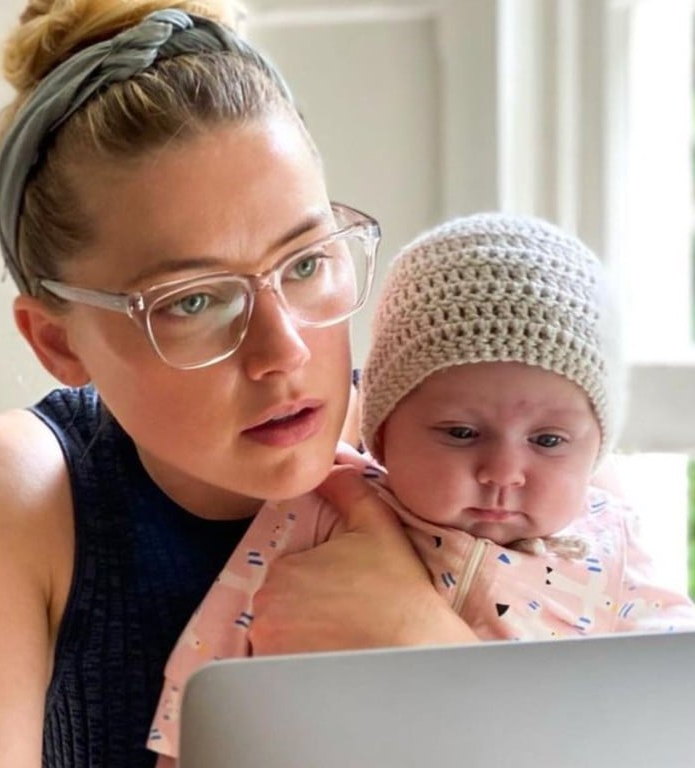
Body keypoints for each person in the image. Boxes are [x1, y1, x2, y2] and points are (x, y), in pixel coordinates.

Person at [0, 3, 477, 767]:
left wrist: (435, 650)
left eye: (308, 262)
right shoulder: (11, 494)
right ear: (57, 341)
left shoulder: (471, 439)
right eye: (193, 301)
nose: (282, 351)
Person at [149, 211, 695, 762]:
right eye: (460, 433)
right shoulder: (322, 507)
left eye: (549, 441)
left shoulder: (614, 542)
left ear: (594, 447)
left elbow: (676, 692)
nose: (503, 472)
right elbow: (208, 667)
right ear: (383, 432)